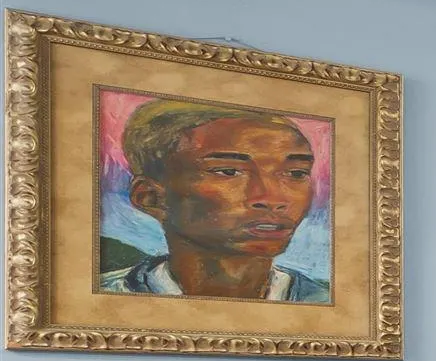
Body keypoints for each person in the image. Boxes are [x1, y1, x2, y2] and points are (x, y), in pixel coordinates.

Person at [98, 99, 331, 303]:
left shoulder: (326, 305)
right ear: (149, 197)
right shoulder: (104, 300)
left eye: (296, 173)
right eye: (228, 171)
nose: (272, 199)